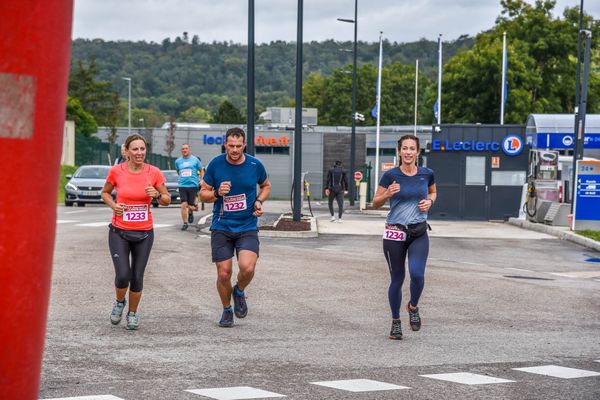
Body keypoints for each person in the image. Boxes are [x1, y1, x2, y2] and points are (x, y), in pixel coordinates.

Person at [200, 127, 271, 327]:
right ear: (225, 144)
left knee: (247, 268)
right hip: (222, 225)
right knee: (223, 273)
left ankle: (238, 290)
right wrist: (216, 192)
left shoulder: (254, 164)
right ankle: (227, 310)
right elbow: (202, 193)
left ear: (244, 145)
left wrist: (259, 201)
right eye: (231, 145)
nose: (234, 150)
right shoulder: (216, 164)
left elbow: (266, 186)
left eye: (238, 146)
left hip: (247, 225)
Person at [101, 134, 171, 330]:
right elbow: (105, 192)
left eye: (142, 149)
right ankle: (119, 302)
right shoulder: (116, 171)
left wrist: (157, 195)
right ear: (127, 151)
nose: (140, 153)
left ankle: (132, 313)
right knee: (123, 275)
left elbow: (167, 199)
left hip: (144, 233)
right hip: (119, 231)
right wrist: (114, 206)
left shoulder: (154, 172)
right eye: (135, 149)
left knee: (137, 276)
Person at [371, 134, 436, 340]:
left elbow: (433, 192)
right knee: (397, 279)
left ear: (417, 152)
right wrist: (387, 194)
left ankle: (413, 306)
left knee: (417, 274)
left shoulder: (427, 174)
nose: (408, 152)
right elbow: (375, 203)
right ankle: (396, 321)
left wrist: (430, 202)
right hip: (394, 233)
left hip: (418, 231)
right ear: (399, 151)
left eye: (412, 148)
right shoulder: (390, 176)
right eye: (404, 148)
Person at [175, 144, 203, 230]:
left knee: (192, 206)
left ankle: (191, 212)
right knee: (183, 205)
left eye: (186, 148)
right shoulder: (178, 161)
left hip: (193, 185)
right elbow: (178, 171)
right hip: (182, 185)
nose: (184, 150)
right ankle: (185, 223)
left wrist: (201, 180)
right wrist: (182, 179)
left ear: (189, 149)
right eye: (183, 149)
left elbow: (201, 170)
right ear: (181, 150)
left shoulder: (195, 160)